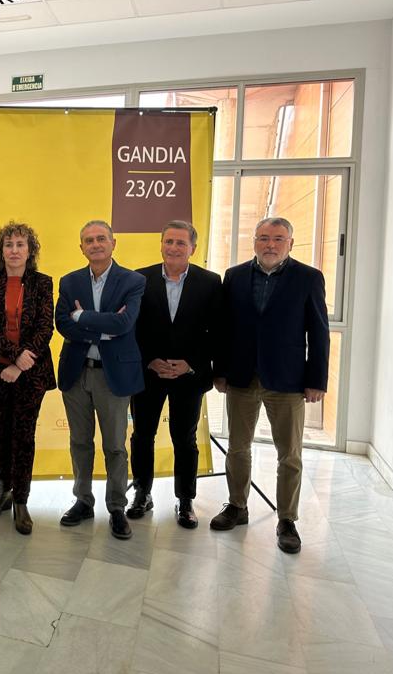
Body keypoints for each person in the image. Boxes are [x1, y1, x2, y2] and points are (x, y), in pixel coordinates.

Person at [210, 216, 329, 554]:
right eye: (263, 238)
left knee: (289, 454)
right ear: (254, 242)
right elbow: (223, 328)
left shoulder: (308, 278)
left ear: (290, 243)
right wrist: (220, 371)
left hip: (287, 380)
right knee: (237, 447)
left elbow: (319, 332)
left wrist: (316, 380)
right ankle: (237, 506)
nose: (270, 244)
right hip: (242, 376)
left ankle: (287, 519)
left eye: (278, 238)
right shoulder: (234, 277)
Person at [128, 220, 222, 529]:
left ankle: (185, 500)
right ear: (161, 244)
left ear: (193, 248)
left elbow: (217, 331)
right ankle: (142, 494)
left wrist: (191, 363)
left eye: (181, 242)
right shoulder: (139, 279)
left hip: (189, 376)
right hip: (149, 374)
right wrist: (149, 361)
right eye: (168, 241)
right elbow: (132, 328)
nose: (173, 247)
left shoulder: (210, 282)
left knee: (185, 439)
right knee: (142, 436)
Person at [55, 220, 145, 540]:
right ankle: (83, 500)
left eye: (101, 239)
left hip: (113, 375)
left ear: (113, 243)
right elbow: (63, 324)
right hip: (76, 372)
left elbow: (124, 323)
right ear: (81, 247)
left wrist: (83, 317)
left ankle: (117, 507)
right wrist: (102, 328)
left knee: (115, 446)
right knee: (80, 442)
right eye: (89, 240)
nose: (95, 244)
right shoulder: (69, 282)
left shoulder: (133, 281)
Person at [0, 222, 56, 535]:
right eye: (8, 245)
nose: (14, 250)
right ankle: (3, 491)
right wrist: (12, 355)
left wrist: (21, 363)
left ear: (30, 250)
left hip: (32, 373)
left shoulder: (42, 282)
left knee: (24, 436)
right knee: (1, 432)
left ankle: (21, 501)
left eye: (20, 244)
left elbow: (45, 328)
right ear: (1, 250)